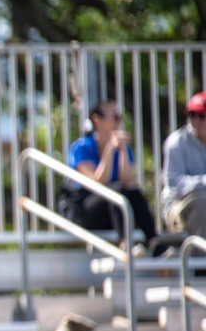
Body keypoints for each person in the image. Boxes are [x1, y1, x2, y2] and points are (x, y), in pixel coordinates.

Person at [67, 100, 165, 257]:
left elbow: (128, 181)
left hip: (111, 210)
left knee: (133, 192)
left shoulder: (121, 147)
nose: (118, 121)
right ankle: (125, 243)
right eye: (114, 116)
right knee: (116, 190)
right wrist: (109, 150)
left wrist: (123, 151)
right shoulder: (81, 148)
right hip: (85, 211)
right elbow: (96, 183)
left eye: (120, 117)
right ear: (96, 119)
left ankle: (155, 243)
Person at [162, 91, 206, 239]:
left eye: (202, 116)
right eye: (192, 115)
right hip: (178, 206)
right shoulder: (177, 142)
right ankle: (201, 261)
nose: (196, 121)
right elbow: (175, 184)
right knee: (202, 204)